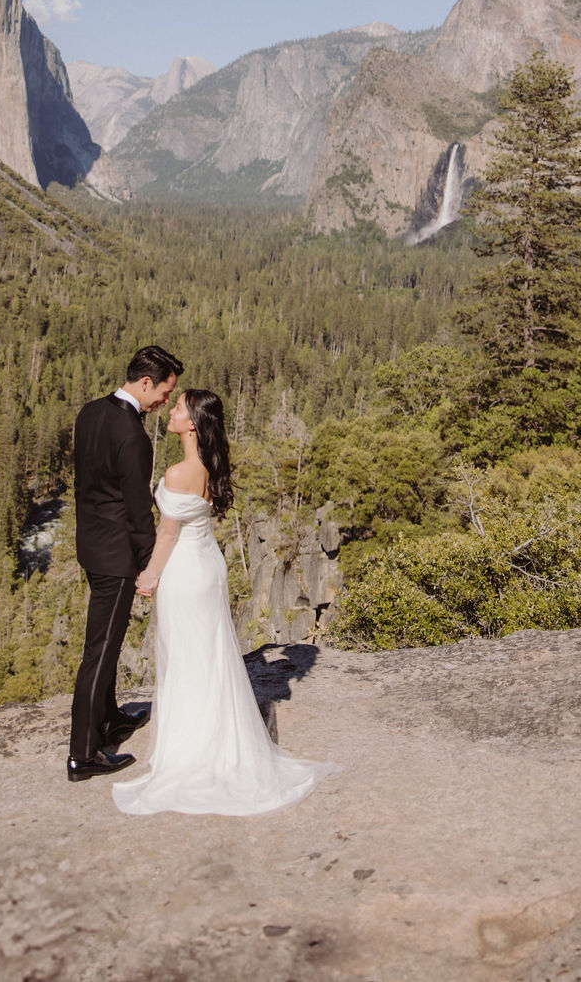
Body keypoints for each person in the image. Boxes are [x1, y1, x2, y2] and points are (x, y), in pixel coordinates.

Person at [112, 388, 337, 816]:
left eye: (177, 407)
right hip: (207, 566)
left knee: (184, 655)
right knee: (208, 655)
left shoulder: (180, 472)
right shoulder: (210, 465)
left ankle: (193, 751)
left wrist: (149, 577)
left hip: (183, 570)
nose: (170, 411)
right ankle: (217, 741)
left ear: (192, 423)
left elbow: (167, 534)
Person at [67, 344, 184, 782]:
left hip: (91, 544)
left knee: (107, 645)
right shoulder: (132, 436)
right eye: (165, 393)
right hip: (116, 556)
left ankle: (112, 717)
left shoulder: (90, 412)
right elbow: (138, 511)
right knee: (99, 652)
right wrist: (150, 564)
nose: (165, 403)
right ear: (147, 382)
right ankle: (83, 753)